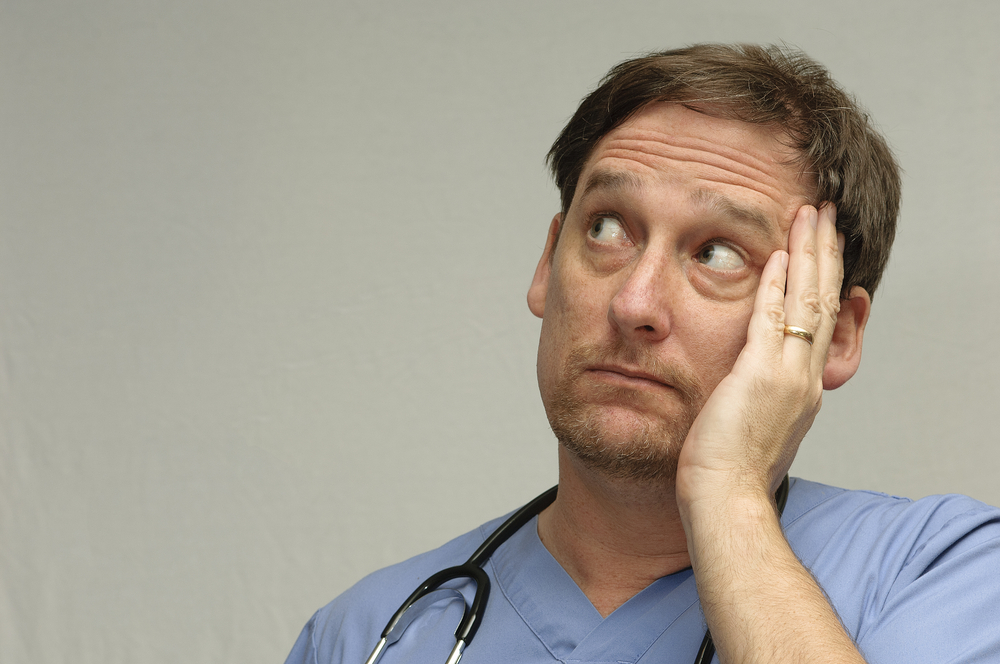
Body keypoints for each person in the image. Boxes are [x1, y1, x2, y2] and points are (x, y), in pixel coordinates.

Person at [286, 44, 1000, 663]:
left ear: (834, 332)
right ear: (546, 265)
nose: (634, 304)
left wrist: (726, 491)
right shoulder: (364, 634)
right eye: (606, 230)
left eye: (717, 252)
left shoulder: (945, 574)